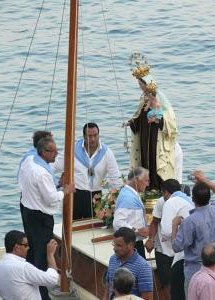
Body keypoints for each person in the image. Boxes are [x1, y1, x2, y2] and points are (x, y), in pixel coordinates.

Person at [19, 137, 74, 300]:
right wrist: (66, 190)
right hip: (41, 217)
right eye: (53, 151)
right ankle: (42, 294)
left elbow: (42, 190)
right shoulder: (42, 172)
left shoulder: (30, 161)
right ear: (43, 153)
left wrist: (57, 185)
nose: (57, 153)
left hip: (28, 210)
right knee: (42, 254)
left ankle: (30, 283)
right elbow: (51, 198)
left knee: (32, 250)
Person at [171, 170, 215, 297]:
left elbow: (176, 247)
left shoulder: (189, 222)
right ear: (209, 197)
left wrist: (174, 226)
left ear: (192, 198)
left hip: (195, 271)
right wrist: (205, 181)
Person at [126, 61, 177, 190]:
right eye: (139, 84)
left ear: (147, 84)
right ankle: (147, 186)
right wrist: (131, 123)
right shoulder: (144, 100)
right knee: (145, 159)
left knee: (154, 161)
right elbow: (139, 117)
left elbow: (168, 120)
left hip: (155, 137)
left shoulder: (158, 99)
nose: (140, 87)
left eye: (141, 84)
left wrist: (158, 121)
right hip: (144, 137)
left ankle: (155, 185)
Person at [72, 123, 122, 219]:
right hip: (76, 194)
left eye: (95, 135)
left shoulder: (107, 152)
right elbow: (56, 165)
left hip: (96, 195)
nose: (93, 139)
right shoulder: (73, 149)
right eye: (89, 136)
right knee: (72, 227)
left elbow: (115, 177)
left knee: (94, 226)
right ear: (84, 136)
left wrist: (119, 200)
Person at [0, 230, 59, 300]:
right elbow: (52, 279)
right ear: (17, 247)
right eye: (26, 245)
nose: (29, 248)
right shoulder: (23, 268)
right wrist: (50, 255)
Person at [159, 179, 194, 300]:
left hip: (181, 256)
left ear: (166, 192)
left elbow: (166, 230)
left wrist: (167, 236)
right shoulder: (189, 200)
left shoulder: (171, 202)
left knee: (177, 293)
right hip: (194, 254)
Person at [103, 227, 153, 300]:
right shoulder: (113, 259)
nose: (114, 249)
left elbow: (147, 298)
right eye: (114, 244)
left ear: (130, 245)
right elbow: (108, 290)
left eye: (119, 245)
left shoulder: (143, 267)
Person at [113, 167, 149, 258]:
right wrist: (137, 231)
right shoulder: (127, 197)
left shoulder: (130, 194)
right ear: (136, 180)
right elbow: (118, 223)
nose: (147, 184)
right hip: (130, 246)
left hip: (133, 243)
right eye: (146, 180)